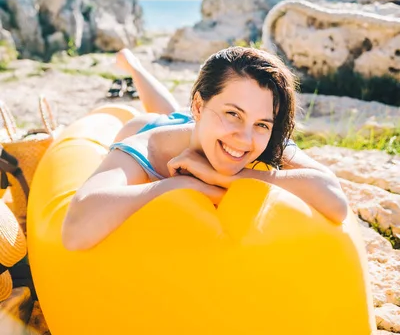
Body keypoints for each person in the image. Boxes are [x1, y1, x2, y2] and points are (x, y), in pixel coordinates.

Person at [62, 47, 348, 251]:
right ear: (199, 105)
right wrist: (179, 184)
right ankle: (134, 66)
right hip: (167, 129)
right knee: (159, 115)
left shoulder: (262, 140)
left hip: (201, 129)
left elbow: (335, 199)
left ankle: (137, 66)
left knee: (177, 111)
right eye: (233, 114)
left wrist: (226, 179)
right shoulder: (146, 146)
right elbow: (75, 233)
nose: (245, 139)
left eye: (262, 123)